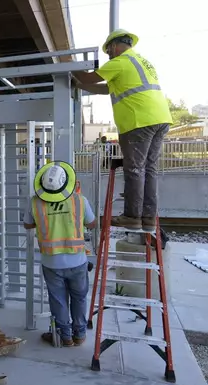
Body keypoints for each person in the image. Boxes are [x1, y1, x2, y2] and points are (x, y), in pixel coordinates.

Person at [73, 29, 171, 232]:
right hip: (160, 118)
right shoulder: (141, 62)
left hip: (138, 120)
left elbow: (91, 78)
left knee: (135, 169)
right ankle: (148, 218)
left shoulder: (121, 61)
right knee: (149, 169)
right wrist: (79, 85)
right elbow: (106, 88)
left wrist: (70, 69)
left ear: (114, 46)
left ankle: (132, 217)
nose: (109, 55)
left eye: (109, 51)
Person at [23, 161, 97, 347]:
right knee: (79, 297)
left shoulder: (35, 202)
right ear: (67, 182)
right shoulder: (80, 200)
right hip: (77, 260)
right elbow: (92, 223)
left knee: (58, 300)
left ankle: (65, 336)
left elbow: (27, 225)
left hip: (51, 261)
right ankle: (79, 335)